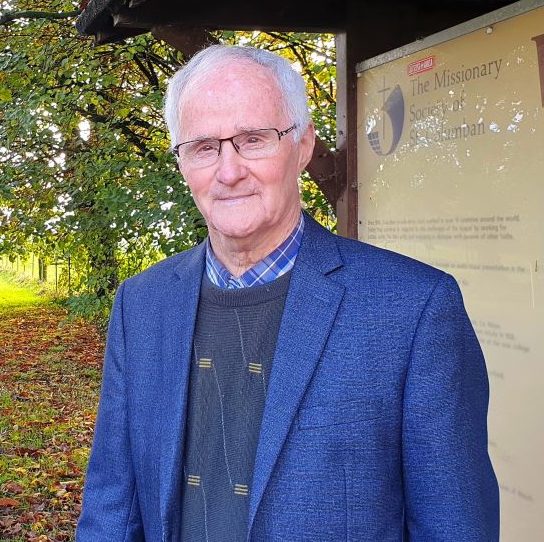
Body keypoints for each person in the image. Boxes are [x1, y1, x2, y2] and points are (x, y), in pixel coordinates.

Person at [75, 45, 499, 541]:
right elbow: (112, 508)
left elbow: (455, 526)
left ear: (301, 146)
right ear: (182, 162)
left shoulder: (413, 310)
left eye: (253, 139)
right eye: (204, 147)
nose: (228, 171)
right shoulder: (142, 306)